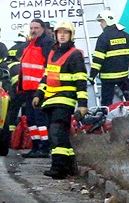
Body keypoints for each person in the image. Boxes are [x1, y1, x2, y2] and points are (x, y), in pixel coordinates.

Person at [33, 21, 88, 179]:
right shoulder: (52, 53)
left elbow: (81, 80)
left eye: (66, 32)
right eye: (59, 32)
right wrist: (38, 94)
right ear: (55, 35)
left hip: (65, 101)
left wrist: (82, 105)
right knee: (59, 135)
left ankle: (58, 168)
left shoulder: (75, 54)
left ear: (71, 35)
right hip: (50, 100)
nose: (62, 35)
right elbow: (46, 77)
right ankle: (70, 166)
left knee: (56, 132)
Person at [89, 10, 129, 106]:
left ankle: (107, 119)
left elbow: (98, 60)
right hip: (123, 77)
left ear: (106, 21)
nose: (101, 25)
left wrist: (92, 76)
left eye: (101, 22)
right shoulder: (125, 36)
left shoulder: (103, 38)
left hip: (108, 78)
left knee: (106, 104)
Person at [18, 19, 54, 158]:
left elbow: (48, 66)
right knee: (31, 119)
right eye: (31, 28)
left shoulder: (46, 43)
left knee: (40, 119)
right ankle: (35, 145)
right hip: (28, 88)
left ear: (43, 29)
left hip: (40, 88)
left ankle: (44, 147)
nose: (33, 30)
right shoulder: (29, 44)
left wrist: (43, 87)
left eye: (36, 28)